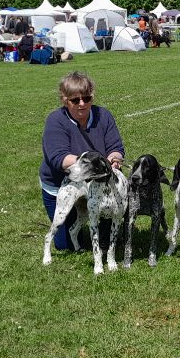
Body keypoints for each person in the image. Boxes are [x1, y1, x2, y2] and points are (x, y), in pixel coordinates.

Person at [40, 72, 125, 251]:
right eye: (75, 100)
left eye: (87, 98)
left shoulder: (104, 115)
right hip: (60, 184)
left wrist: (113, 160)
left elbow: (116, 148)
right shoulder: (55, 120)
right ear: (64, 100)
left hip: (99, 183)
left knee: (112, 241)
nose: (82, 104)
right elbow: (58, 158)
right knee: (66, 246)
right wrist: (95, 164)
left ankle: (105, 228)